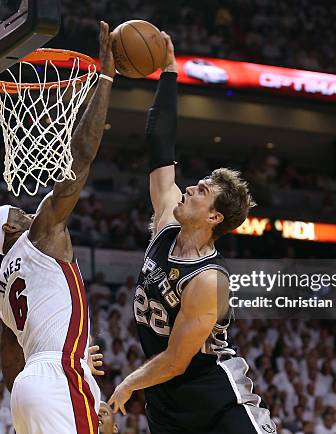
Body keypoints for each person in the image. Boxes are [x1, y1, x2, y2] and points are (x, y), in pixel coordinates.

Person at [108, 33, 276, 434]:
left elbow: (177, 360)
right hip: (167, 407)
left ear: (215, 217)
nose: (187, 189)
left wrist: (128, 383)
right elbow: (159, 146)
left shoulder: (209, 280)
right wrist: (168, 73)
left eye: (201, 191)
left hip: (219, 406)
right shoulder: (166, 224)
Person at [0, 21, 115, 434]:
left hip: (28, 386)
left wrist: (32, 391)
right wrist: (106, 79)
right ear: (11, 232)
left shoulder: (2, 295)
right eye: (17, 214)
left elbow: (9, 359)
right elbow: (80, 157)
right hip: (57, 375)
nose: (25, 212)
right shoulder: (39, 235)